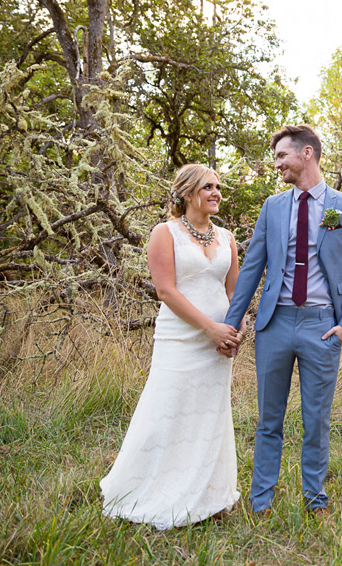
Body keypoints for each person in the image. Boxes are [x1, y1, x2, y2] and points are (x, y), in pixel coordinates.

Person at [222, 124, 342, 520]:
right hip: (275, 325)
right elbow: (252, 268)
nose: (277, 165)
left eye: (282, 156)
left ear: (307, 154)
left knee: (315, 421)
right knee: (269, 420)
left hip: (323, 327)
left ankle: (315, 500)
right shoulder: (272, 206)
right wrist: (232, 324)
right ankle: (261, 502)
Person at [101, 164, 246, 530]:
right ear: (186, 193)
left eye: (218, 187)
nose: (216, 193)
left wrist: (238, 326)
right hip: (181, 337)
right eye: (207, 187)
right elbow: (166, 290)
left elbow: (234, 291)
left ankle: (208, 493)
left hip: (220, 342)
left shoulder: (226, 237)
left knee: (210, 412)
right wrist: (210, 328)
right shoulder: (164, 233)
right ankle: (148, 487)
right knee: (169, 406)